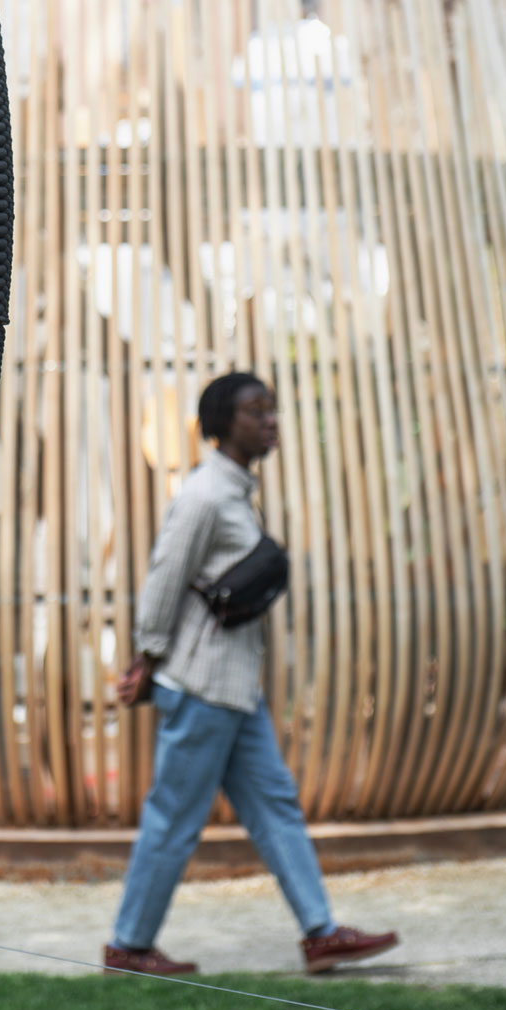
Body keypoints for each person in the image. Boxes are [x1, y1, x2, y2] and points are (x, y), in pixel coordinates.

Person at [103, 372, 399, 978]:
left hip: (235, 689)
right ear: (221, 422)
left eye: (272, 409)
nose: (269, 420)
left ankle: (321, 933)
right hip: (204, 688)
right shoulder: (205, 494)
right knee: (175, 817)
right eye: (254, 411)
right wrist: (146, 658)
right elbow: (164, 577)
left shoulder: (233, 491)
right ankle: (129, 947)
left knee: (276, 806)